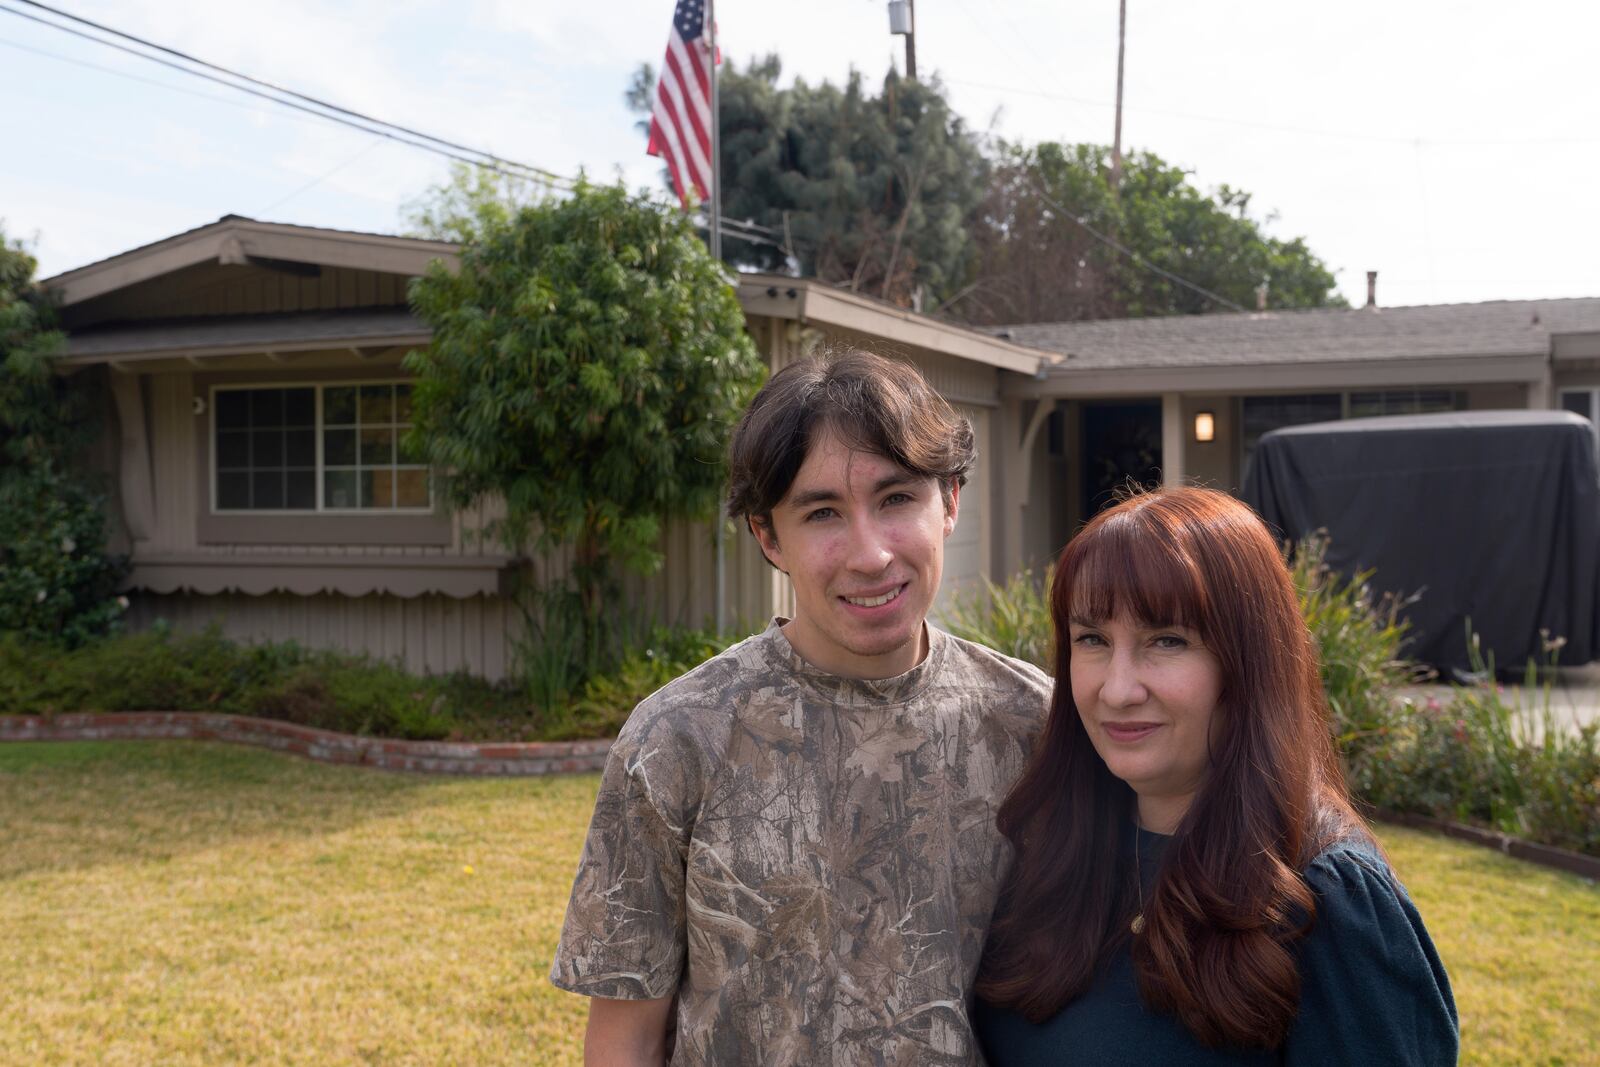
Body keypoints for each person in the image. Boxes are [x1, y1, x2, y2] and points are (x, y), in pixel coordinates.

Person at [550, 349, 1052, 1066]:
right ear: (768, 535)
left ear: (950, 501)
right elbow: (625, 1034)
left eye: (896, 498)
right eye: (822, 512)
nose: (870, 553)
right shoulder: (677, 740)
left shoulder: (1033, 725)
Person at [974, 487, 1459, 1066]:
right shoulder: (1050, 850)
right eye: (1093, 640)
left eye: (1167, 641)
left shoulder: (1327, 902)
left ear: (1249, 664)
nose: (1118, 689)